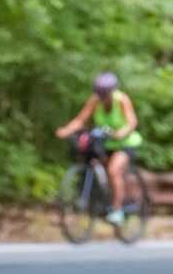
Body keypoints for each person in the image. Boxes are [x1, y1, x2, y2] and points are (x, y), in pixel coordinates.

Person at [55, 71, 142, 225]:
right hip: (106, 143)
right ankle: (100, 199)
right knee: (93, 161)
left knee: (113, 170)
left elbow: (132, 122)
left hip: (125, 143)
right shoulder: (96, 100)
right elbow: (81, 119)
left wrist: (122, 132)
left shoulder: (121, 100)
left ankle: (117, 210)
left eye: (105, 94)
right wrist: (66, 130)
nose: (103, 98)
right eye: (100, 94)